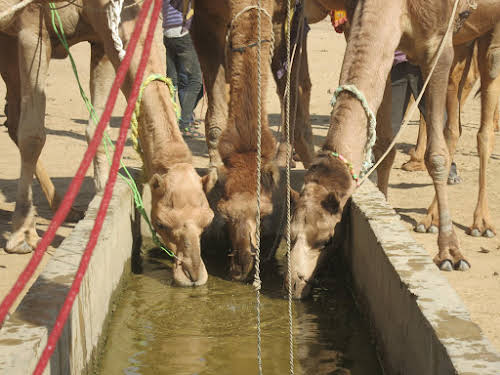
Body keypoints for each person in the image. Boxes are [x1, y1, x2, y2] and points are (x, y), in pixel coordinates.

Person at [391, 51, 461, 184]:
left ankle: (448, 164)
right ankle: (373, 168)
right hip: (395, 63)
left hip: (424, 62)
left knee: (437, 118)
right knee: (388, 125)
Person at [162, 0, 203, 138]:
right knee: (197, 81)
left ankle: (172, 120)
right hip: (183, 34)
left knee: (173, 81)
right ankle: (185, 123)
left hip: (168, 34)